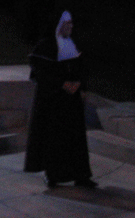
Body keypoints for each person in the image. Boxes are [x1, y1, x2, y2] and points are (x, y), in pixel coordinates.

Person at [24, 11, 98, 189]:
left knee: (75, 140)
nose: (70, 27)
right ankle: (53, 175)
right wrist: (61, 83)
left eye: (71, 23)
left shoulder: (72, 44)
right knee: (54, 139)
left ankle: (81, 175)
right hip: (53, 101)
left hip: (71, 101)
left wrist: (79, 84)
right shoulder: (45, 46)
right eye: (66, 24)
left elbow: (81, 68)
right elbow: (40, 72)